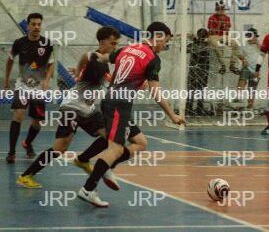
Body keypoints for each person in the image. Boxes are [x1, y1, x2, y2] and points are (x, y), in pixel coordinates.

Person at [16, 27, 148, 196]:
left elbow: (86, 58)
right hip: (72, 107)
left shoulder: (99, 61)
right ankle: (26, 175)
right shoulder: (97, 64)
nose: (115, 47)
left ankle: (83, 159)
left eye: (117, 44)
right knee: (60, 147)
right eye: (113, 43)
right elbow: (111, 85)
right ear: (102, 42)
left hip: (87, 109)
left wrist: (78, 72)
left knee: (110, 137)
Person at [77, 22, 186, 207]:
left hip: (114, 102)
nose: (164, 46)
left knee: (141, 143)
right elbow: (156, 93)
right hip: (118, 106)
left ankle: (107, 166)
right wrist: (172, 115)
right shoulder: (152, 58)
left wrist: (81, 69)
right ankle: (88, 188)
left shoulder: (127, 48)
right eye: (165, 41)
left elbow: (101, 57)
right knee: (116, 149)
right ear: (158, 36)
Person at [4, 13, 54, 163]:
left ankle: (27, 143)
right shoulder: (19, 43)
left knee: (37, 122)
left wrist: (46, 80)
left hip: (38, 88)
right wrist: (6, 80)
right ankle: (11, 152)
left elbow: (51, 64)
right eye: (33, 24)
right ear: (27, 26)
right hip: (23, 86)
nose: (36, 27)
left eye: (39, 24)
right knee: (18, 114)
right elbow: (10, 61)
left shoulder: (47, 43)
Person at [208, 0, 240, 75]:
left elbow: (227, 31)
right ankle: (223, 65)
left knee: (235, 44)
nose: (221, 10)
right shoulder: (212, 17)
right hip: (213, 36)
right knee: (216, 45)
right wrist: (219, 23)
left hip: (223, 36)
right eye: (219, 9)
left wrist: (224, 25)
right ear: (216, 9)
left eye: (222, 9)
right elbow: (211, 32)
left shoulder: (227, 18)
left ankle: (232, 64)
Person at [185, 28, 210, 115]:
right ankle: (190, 109)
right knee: (194, 91)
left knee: (198, 91)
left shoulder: (207, 45)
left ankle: (194, 109)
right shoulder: (195, 45)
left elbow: (198, 49)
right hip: (196, 71)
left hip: (201, 71)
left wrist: (195, 41)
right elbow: (185, 49)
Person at [237, 28, 261, 109]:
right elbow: (239, 54)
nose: (252, 38)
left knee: (252, 89)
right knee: (242, 81)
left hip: (256, 70)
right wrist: (243, 59)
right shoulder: (244, 44)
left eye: (254, 36)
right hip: (247, 67)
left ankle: (250, 105)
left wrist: (257, 43)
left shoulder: (258, 45)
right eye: (250, 36)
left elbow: (264, 51)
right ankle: (239, 99)